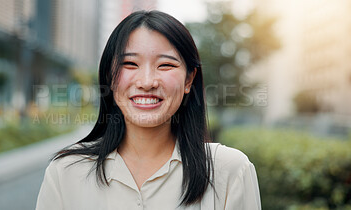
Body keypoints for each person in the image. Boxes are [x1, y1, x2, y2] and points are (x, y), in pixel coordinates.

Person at [36, 10, 261, 210]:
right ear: (110, 77)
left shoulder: (230, 171)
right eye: (130, 64)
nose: (147, 81)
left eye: (165, 65)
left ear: (189, 80)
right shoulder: (65, 172)